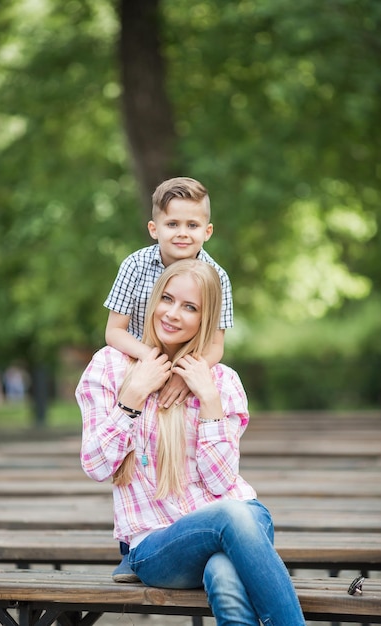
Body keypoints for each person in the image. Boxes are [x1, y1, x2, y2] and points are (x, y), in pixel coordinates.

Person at [76, 259, 306, 626]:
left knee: (224, 575)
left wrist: (209, 401)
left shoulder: (222, 380)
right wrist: (132, 396)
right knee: (232, 515)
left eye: (190, 307)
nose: (172, 313)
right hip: (158, 547)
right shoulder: (109, 367)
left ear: (205, 319)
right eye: (166, 298)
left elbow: (220, 482)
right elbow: (96, 465)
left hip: (241, 522)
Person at [104, 176, 233, 580]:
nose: (182, 233)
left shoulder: (217, 276)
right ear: (154, 227)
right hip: (140, 364)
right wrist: (151, 363)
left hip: (187, 371)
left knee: (183, 457)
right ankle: (133, 545)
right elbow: (114, 331)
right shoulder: (135, 265)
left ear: (207, 231)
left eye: (192, 225)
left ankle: (186, 535)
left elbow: (215, 346)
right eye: (173, 224)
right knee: (134, 455)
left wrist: (184, 373)